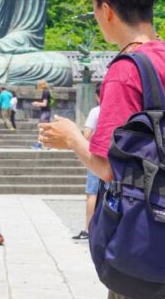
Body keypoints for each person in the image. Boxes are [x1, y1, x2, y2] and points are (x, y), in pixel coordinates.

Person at [40, 0, 165, 299]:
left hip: (141, 249)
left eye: (95, 9)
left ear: (107, 10)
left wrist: (72, 139)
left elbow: (110, 169)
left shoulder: (126, 69)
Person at [72, 83, 101, 241]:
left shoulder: (96, 111)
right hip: (115, 156)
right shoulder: (117, 110)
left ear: (97, 96)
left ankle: (89, 229)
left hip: (97, 155)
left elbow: (87, 134)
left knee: (92, 193)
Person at [30, 80, 52, 149]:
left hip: (45, 112)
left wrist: (37, 103)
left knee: (42, 129)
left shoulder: (45, 92)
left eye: (38, 85)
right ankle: (43, 145)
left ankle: (41, 145)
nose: (37, 87)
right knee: (43, 129)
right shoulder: (46, 91)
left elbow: (44, 104)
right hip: (46, 112)